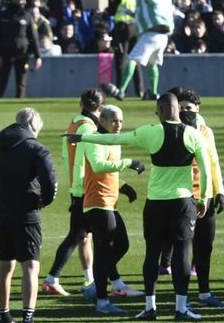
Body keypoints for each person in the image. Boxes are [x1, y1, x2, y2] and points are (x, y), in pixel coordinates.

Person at [69, 93, 209, 321]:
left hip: (155, 203)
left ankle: (150, 307)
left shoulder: (150, 131)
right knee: (182, 253)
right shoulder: (193, 134)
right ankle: (181, 308)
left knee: (152, 252)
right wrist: (205, 199)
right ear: (178, 110)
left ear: (160, 110)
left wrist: (84, 139)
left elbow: (115, 139)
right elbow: (205, 170)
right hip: (183, 202)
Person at [0, 108, 57, 323]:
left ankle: (4, 315)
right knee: (31, 265)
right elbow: (49, 182)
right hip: (27, 215)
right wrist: (43, 201)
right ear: (33, 126)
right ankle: (28, 317)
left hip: (3, 214)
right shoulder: (37, 149)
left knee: (5, 265)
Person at [81, 104, 146, 314]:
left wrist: (123, 187)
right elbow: (98, 166)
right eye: (114, 121)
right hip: (97, 203)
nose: (118, 125)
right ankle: (101, 300)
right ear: (102, 121)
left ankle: (95, 287)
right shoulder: (94, 139)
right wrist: (128, 162)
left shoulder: (112, 140)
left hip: (109, 203)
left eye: (121, 121)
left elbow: (109, 171)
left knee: (122, 244)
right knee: (103, 251)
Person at [171, 87, 224, 308]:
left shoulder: (206, 131)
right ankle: (181, 299)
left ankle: (204, 293)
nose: (186, 110)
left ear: (198, 109)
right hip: (181, 198)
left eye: (190, 107)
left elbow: (213, 161)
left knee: (205, 247)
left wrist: (219, 191)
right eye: (182, 107)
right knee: (182, 249)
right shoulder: (173, 131)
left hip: (204, 197)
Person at [42, 89, 101, 297]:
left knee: (85, 237)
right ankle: (52, 278)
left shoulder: (74, 124)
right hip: (86, 187)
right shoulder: (89, 128)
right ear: (100, 108)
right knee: (77, 235)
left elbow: (68, 157)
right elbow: (90, 160)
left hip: (76, 185)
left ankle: (89, 279)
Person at [0, 0, 42, 98]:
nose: (22, 2)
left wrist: (38, 56)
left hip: (22, 55)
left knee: (21, 84)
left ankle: (20, 107)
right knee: (1, 84)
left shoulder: (27, 16)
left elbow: (34, 37)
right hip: (5, 54)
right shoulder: (2, 16)